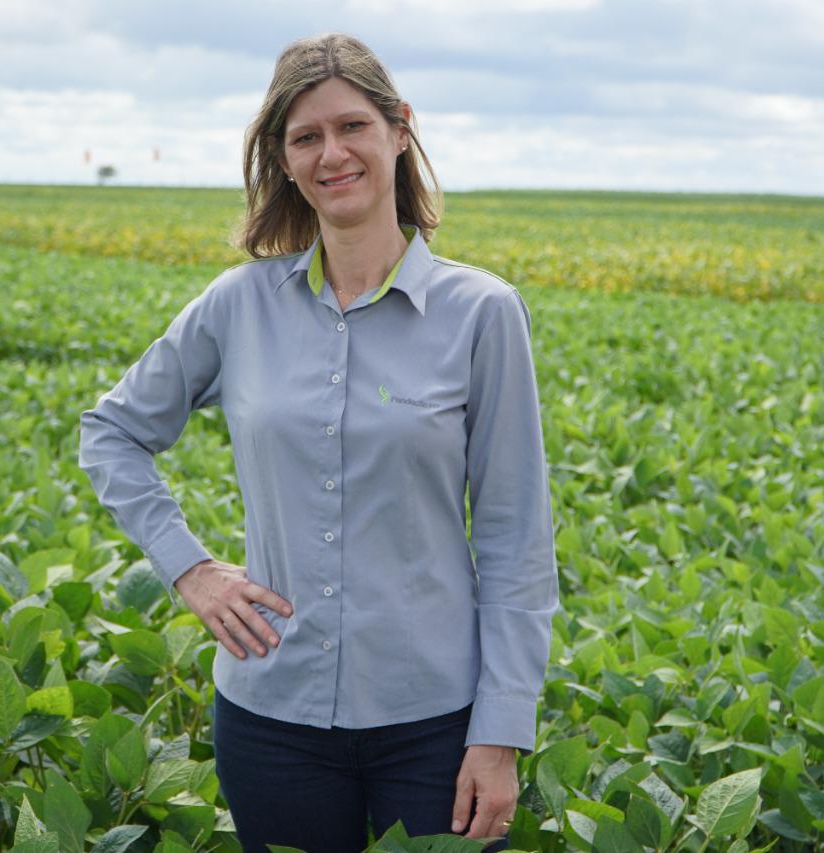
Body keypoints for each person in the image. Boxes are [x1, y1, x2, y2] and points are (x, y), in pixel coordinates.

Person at [78, 32, 558, 853]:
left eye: (351, 127)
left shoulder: (483, 313)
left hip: (438, 725)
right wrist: (190, 568)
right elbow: (112, 431)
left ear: (399, 130)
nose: (332, 153)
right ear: (285, 159)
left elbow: (516, 536)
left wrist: (501, 729)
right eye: (306, 137)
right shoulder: (238, 306)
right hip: (272, 722)